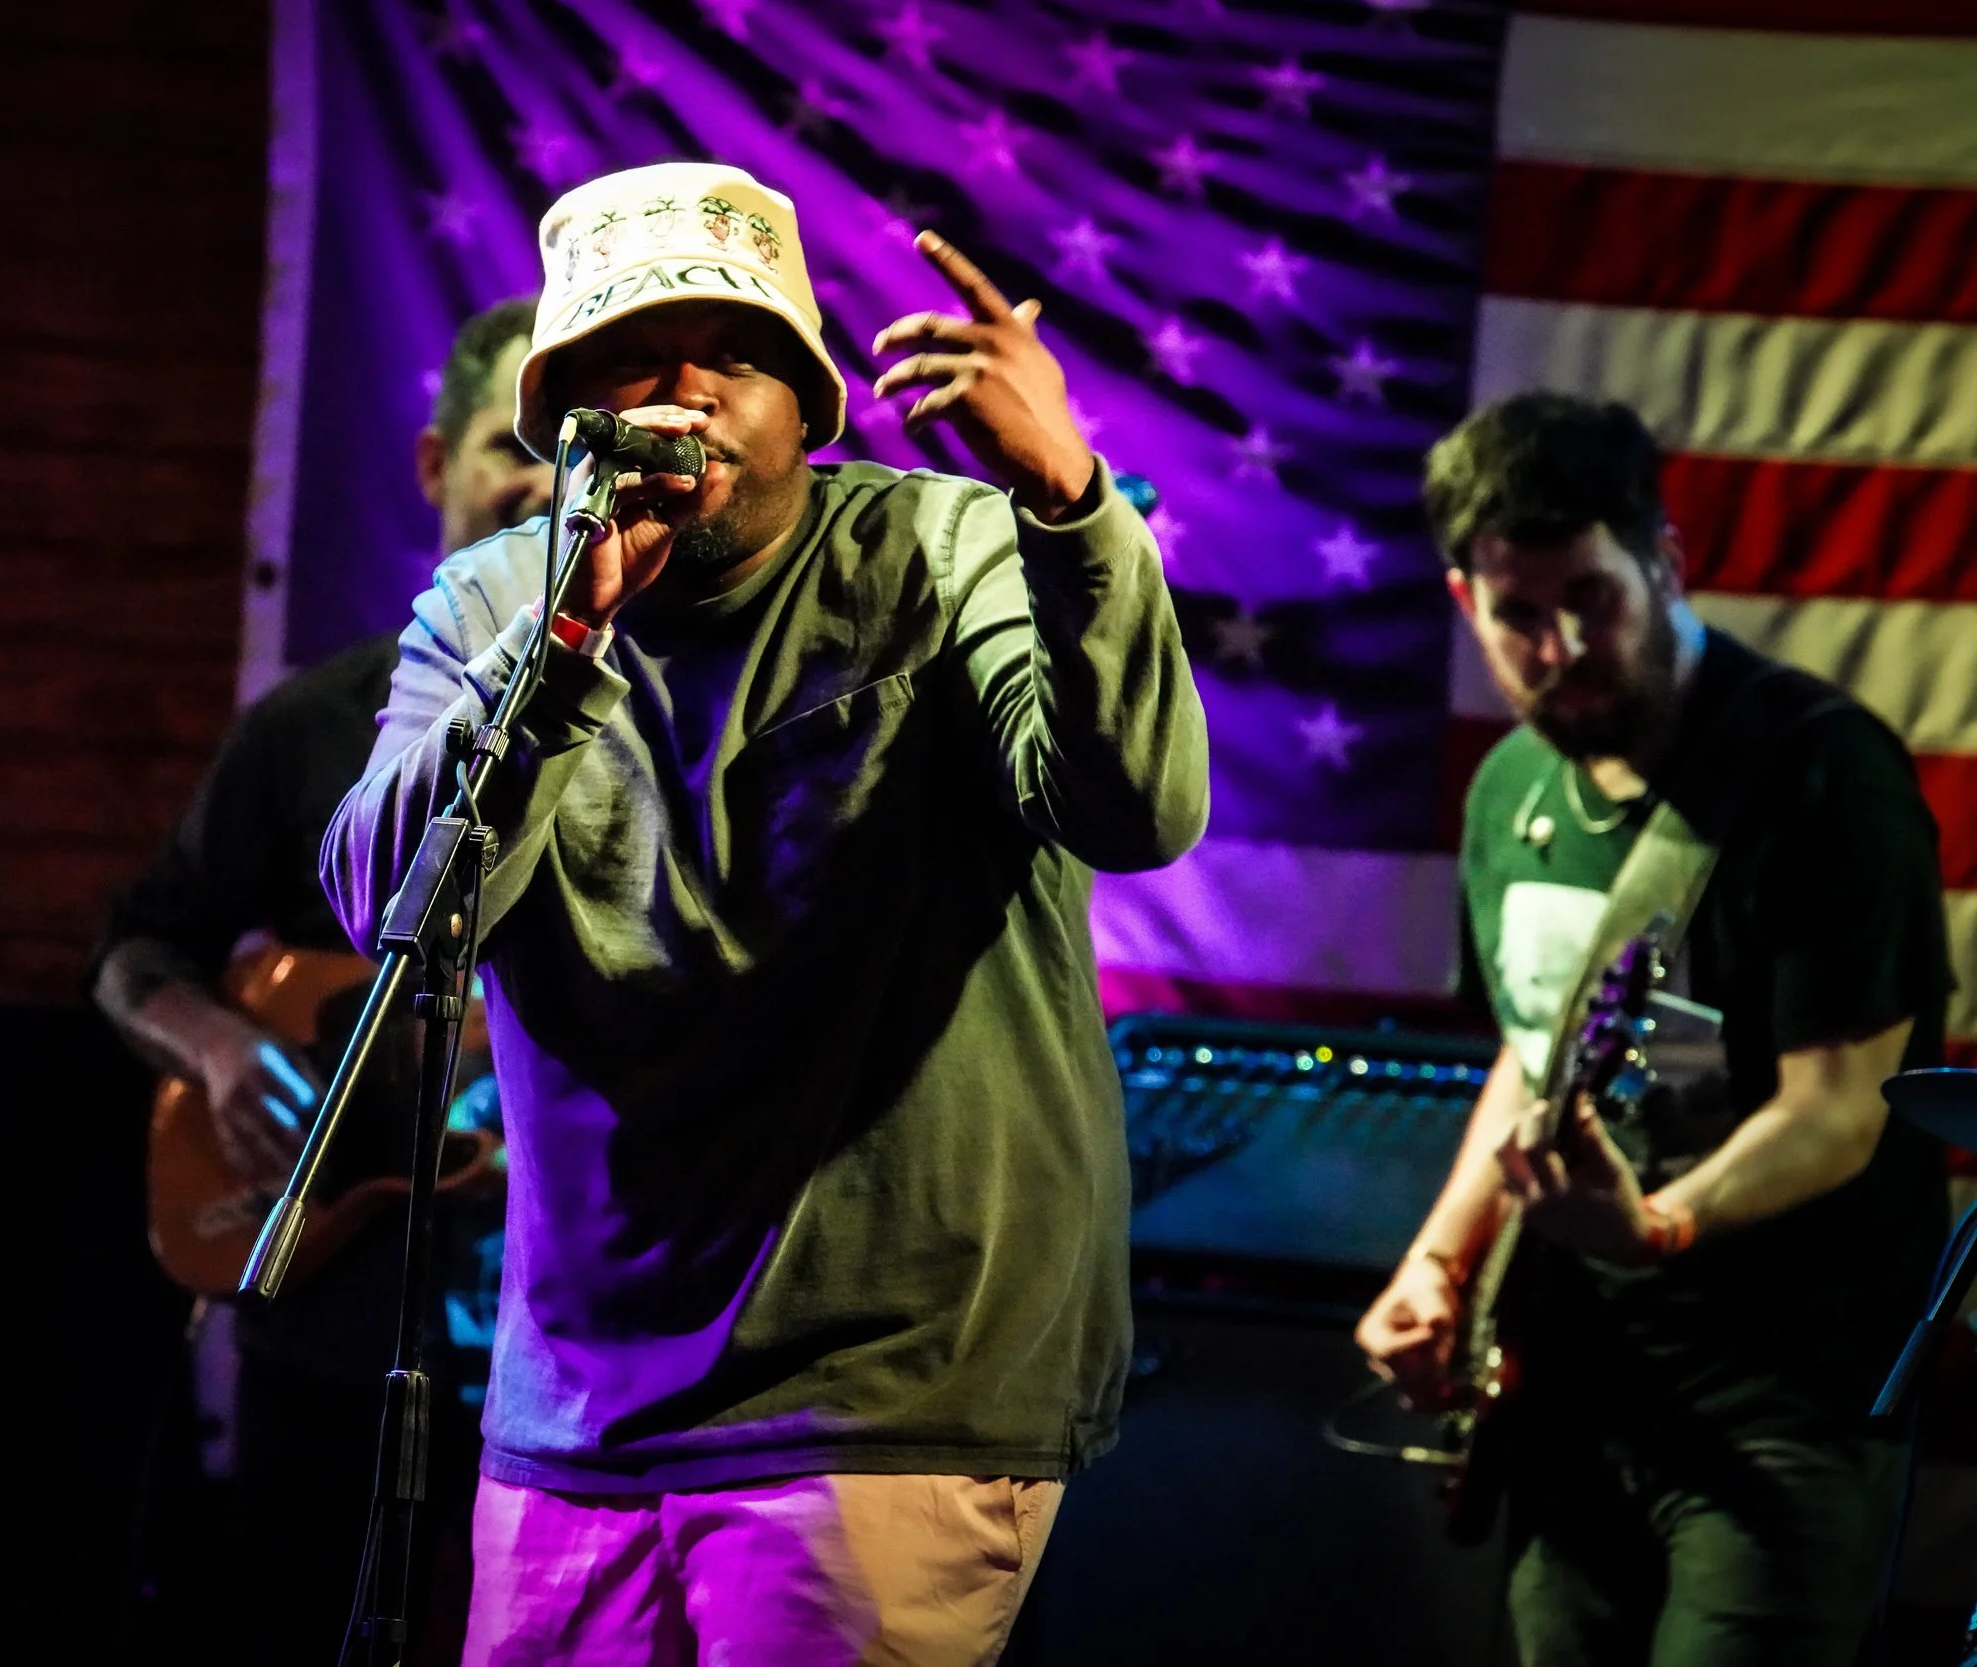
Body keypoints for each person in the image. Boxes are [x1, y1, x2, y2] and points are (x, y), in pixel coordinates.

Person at [323, 162, 1207, 1665]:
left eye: (731, 354)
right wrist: (563, 642)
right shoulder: (495, 608)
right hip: (579, 1409)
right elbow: (392, 908)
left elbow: (1134, 807)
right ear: (563, 417)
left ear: (809, 400)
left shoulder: (944, 552)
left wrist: (1065, 502)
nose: (680, 391)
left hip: (885, 1387)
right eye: (627, 358)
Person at [1356, 392, 1951, 1666]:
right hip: (1574, 1385)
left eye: (1593, 598)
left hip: (1784, 1400)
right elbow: (1532, 1055)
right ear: (1467, 602)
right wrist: (1439, 1262)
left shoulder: (1820, 775)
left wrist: (1662, 1222)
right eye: (1518, 615)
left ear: (1665, 561)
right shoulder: (1510, 789)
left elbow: (1843, 1104)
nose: (1560, 646)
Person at [91, 296, 551, 1665]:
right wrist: (226, 1055)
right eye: (502, 440)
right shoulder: (312, 724)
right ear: (435, 466)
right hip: (329, 1335)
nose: (536, 478)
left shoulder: (664, 736)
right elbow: (135, 945)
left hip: (552, 1351)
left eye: (564, 449)